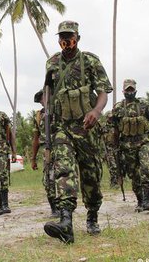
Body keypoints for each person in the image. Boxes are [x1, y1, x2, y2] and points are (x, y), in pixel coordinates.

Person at [42, 21, 113, 244]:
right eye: (62, 37)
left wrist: (96, 110)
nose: (66, 41)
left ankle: (92, 216)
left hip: (86, 127)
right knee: (64, 169)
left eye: (70, 37)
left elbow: (102, 91)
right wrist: (47, 115)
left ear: (77, 38)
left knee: (91, 176)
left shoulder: (90, 60)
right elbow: (48, 92)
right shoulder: (52, 63)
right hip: (62, 127)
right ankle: (66, 222)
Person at [112, 79, 149, 212]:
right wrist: (115, 147)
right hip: (127, 146)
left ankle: (147, 201)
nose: (130, 92)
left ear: (135, 90)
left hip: (144, 143)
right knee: (134, 174)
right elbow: (115, 130)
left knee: (147, 167)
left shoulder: (144, 105)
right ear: (123, 91)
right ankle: (140, 201)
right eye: (127, 90)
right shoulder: (118, 108)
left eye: (132, 89)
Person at [31, 90, 59, 218]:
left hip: (61, 147)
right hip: (46, 150)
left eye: (46, 97)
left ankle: (65, 206)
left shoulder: (59, 110)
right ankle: (54, 209)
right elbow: (36, 138)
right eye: (42, 99)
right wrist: (33, 159)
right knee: (49, 179)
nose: (44, 101)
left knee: (64, 178)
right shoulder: (39, 116)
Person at [101, 111, 119, 188]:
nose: (110, 119)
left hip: (117, 149)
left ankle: (120, 181)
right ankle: (113, 182)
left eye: (112, 118)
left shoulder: (116, 126)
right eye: (109, 117)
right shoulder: (104, 126)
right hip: (108, 149)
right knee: (112, 166)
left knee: (119, 166)